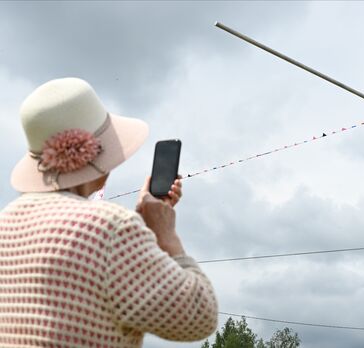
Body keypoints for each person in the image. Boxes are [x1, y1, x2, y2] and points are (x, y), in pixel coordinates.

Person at [0, 78, 218, 346]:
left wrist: (138, 233)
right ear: (98, 156)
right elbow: (199, 317)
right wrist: (165, 235)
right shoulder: (111, 228)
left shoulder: (6, 223)